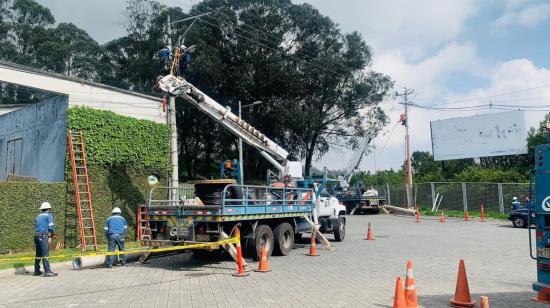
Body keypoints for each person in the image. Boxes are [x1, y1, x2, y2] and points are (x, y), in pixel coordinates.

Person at [34, 202, 58, 277]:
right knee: (45, 253)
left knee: (38, 254)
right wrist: (53, 233)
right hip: (43, 235)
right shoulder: (48, 215)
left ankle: (37, 270)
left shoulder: (38, 216)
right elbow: (51, 226)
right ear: (49, 209)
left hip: (37, 235)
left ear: (41, 209)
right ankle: (47, 271)